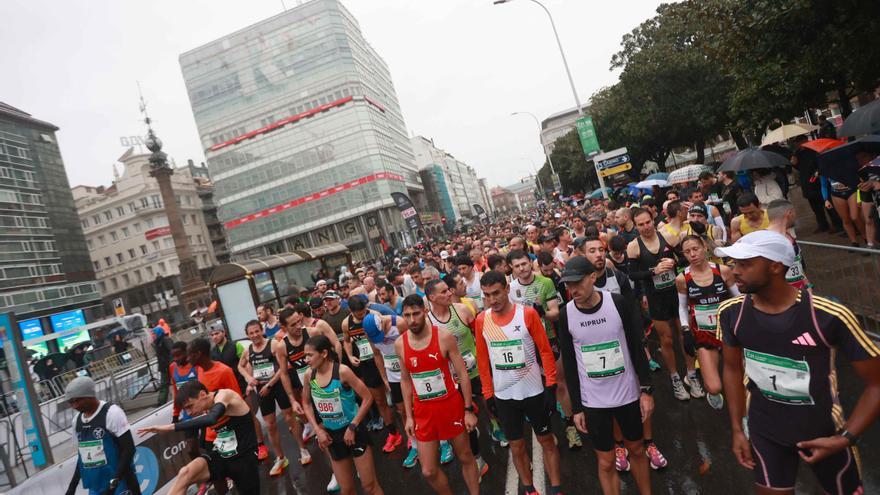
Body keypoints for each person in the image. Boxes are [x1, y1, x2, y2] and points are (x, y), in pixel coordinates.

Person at [716, 230, 880, 495]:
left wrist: (845, 438)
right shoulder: (731, 313)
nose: (735, 271)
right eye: (734, 263)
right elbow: (733, 370)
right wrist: (737, 429)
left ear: (775, 266)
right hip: (765, 432)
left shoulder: (828, 315)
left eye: (745, 264)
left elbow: (876, 384)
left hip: (824, 432)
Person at [555, 256, 654, 495]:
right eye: (568, 285)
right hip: (594, 401)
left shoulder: (617, 303)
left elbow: (636, 347)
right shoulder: (566, 314)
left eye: (577, 283)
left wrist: (646, 390)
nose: (572, 289)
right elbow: (569, 363)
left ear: (592, 277)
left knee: (637, 450)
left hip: (627, 393)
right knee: (606, 461)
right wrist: (577, 407)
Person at [475, 270, 563, 495]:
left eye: (496, 293)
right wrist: (488, 394)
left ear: (507, 289)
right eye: (487, 295)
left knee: (546, 441)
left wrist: (551, 385)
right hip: (505, 396)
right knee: (517, 445)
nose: (492, 300)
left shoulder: (527, 314)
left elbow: (544, 351)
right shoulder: (482, 320)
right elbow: (483, 362)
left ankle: (555, 487)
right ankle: (528, 487)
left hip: (533, 391)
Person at [397, 295, 481, 495]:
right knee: (428, 471)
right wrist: (409, 417)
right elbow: (405, 380)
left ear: (425, 312)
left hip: (450, 406)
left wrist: (468, 409)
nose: (412, 320)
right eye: (407, 315)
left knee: (466, 456)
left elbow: (462, 373)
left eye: (416, 313)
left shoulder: (443, 337)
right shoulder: (400, 344)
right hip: (423, 412)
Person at [627, 208, 700, 401]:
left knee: (685, 334)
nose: (645, 227)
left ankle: (691, 375)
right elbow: (632, 275)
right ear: (636, 226)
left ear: (653, 220)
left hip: (676, 293)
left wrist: (674, 262)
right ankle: (675, 377)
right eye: (640, 224)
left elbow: (685, 258)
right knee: (666, 339)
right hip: (656, 298)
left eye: (648, 222)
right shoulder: (634, 247)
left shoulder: (668, 236)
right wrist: (653, 270)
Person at [138, 382, 263, 495]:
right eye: (185, 409)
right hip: (222, 456)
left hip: (244, 459)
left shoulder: (225, 395)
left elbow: (211, 419)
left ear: (203, 394)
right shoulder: (205, 408)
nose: (188, 413)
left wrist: (170, 427)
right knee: (185, 473)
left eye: (190, 406)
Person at [301, 335, 384, 495]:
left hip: (354, 432)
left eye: (310, 355)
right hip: (333, 436)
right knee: (346, 490)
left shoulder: (342, 372)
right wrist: (318, 431)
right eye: (305, 356)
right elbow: (306, 403)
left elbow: (367, 397)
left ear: (324, 353)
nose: (306, 360)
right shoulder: (309, 376)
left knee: (370, 487)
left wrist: (353, 426)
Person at [425, 279, 493, 472]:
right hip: (454, 379)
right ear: (432, 298)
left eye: (449, 290)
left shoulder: (462, 310)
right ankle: (478, 457)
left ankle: (497, 427)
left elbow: (481, 334)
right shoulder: (429, 322)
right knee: (466, 418)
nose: (449, 293)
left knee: (490, 403)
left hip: (476, 370)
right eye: (444, 291)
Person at [675, 235, 739, 410]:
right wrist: (686, 330)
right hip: (704, 334)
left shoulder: (723, 271)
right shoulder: (682, 279)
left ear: (704, 247)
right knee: (714, 386)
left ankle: (743, 414)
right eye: (687, 252)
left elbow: (739, 298)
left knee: (738, 379)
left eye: (695, 249)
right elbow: (681, 308)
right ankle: (711, 390)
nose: (693, 254)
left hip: (727, 331)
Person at [237, 319, 300, 475]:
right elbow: (240, 366)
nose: (255, 335)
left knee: (289, 418)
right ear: (247, 335)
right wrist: (248, 378)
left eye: (257, 331)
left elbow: (282, 368)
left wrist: (270, 384)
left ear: (262, 330)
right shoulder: (248, 350)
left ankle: (303, 449)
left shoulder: (273, 345)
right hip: (261, 389)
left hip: (276, 385)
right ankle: (280, 457)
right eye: (251, 333)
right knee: (270, 425)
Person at [64, 376, 140, 495]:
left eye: (77, 400)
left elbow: (129, 449)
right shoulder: (76, 421)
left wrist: (113, 484)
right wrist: (72, 487)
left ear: (90, 396)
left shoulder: (112, 413)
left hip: (119, 483)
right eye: (71, 402)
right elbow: (82, 456)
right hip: (96, 486)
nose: (74, 406)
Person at [208, 322, 268, 460]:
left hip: (240, 387)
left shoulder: (236, 345)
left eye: (217, 333)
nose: (215, 337)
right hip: (224, 393)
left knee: (251, 416)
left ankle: (261, 445)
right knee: (233, 423)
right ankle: (245, 447)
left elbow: (246, 364)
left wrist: (249, 381)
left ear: (224, 333)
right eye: (212, 335)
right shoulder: (213, 353)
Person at [342, 297, 398, 437]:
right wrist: (349, 356)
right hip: (367, 364)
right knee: (379, 400)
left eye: (363, 312)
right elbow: (347, 341)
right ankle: (393, 433)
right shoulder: (346, 324)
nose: (362, 316)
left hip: (383, 359)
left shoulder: (375, 316)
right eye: (359, 314)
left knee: (398, 399)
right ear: (351, 311)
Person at [791, 135, 842, 233]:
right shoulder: (797, 153)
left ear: (805, 140)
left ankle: (837, 225)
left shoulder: (813, 150)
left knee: (828, 204)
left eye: (799, 141)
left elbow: (820, 163)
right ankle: (823, 225)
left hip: (817, 182)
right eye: (797, 143)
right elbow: (799, 167)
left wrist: (818, 172)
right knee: (816, 208)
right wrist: (794, 163)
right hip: (807, 183)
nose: (798, 144)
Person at [153, 326, 173, 407]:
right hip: (164, 366)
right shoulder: (158, 341)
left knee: (167, 383)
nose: (153, 335)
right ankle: (161, 402)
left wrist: (172, 363)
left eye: (154, 333)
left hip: (168, 365)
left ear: (158, 333)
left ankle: (161, 402)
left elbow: (172, 351)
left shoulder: (165, 339)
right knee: (164, 384)